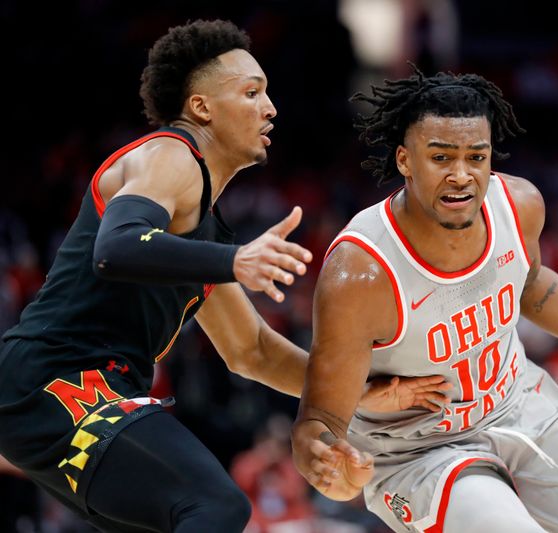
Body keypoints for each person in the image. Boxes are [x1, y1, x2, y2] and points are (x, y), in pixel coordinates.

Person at [0, 20, 448, 533]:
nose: (270, 107)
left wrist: (351, 390)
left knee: (186, 517)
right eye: (252, 92)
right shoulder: (170, 155)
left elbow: (251, 350)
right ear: (202, 108)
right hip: (56, 381)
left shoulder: (200, 225)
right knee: (216, 507)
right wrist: (234, 262)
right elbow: (116, 247)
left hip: (78, 391)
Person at [292, 66, 558, 532]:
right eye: (441, 158)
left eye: (475, 158)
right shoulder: (360, 273)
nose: (461, 176)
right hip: (417, 448)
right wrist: (326, 460)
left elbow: (532, 288)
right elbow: (318, 418)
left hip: (517, 403)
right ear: (404, 160)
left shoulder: (519, 205)